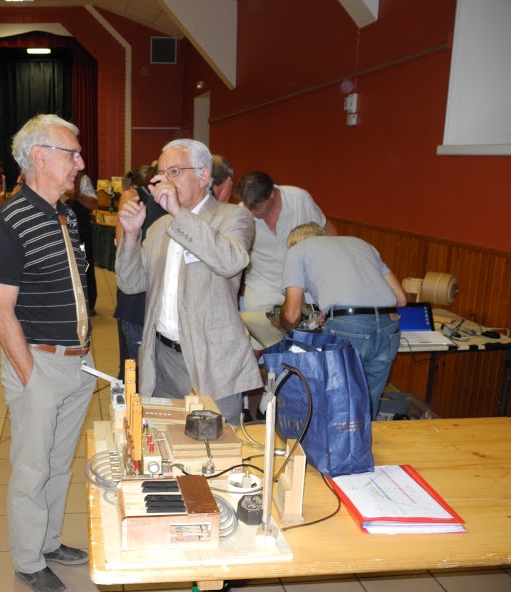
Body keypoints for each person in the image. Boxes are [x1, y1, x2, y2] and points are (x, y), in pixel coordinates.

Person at [0, 114, 96, 592]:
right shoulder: (9, 222)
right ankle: (29, 560)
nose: (81, 163)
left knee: (59, 463)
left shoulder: (64, 215)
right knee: (32, 468)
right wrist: (33, 379)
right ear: (40, 156)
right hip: (38, 362)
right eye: (72, 154)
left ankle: (48, 541)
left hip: (78, 360)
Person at [116, 139, 262, 425]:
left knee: (215, 446)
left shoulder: (233, 217)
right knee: (162, 442)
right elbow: (131, 283)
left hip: (212, 361)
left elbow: (231, 262)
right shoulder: (159, 228)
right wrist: (131, 236)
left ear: (203, 176)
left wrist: (178, 214)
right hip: (162, 361)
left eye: (174, 171)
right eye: (161, 173)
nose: (164, 181)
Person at [279, 222, 408, 418]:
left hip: (350, 327)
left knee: (340, 403)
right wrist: (332, 313)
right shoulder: (361, 244)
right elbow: (401, 299)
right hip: (388, 326)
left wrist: (281, 325)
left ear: (293, 243)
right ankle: (366, 437)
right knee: (369, 401)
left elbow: (292, 315)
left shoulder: (297, 250)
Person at [238, 171, 337, 313]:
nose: (252, 213)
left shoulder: (299, 199)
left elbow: (328, 232)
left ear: (271, 194)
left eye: (257, 208)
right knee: (255, 323)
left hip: (301, 288)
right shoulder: (242, 212)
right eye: (249, 208)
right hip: (262, 289)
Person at [113, 164, 166, 379]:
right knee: (133, 373)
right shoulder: (133, 197)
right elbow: (123, 251)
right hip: (137, 302)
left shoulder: (173, 207)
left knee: (134, 371)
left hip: (146, 306)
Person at [63, 171, 98, 313]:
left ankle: (88, 303)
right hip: (61, 230)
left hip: (80, 231)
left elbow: (94, 204)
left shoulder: (82, 179)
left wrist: (77, 196)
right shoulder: (54, 176)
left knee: (85, 265)